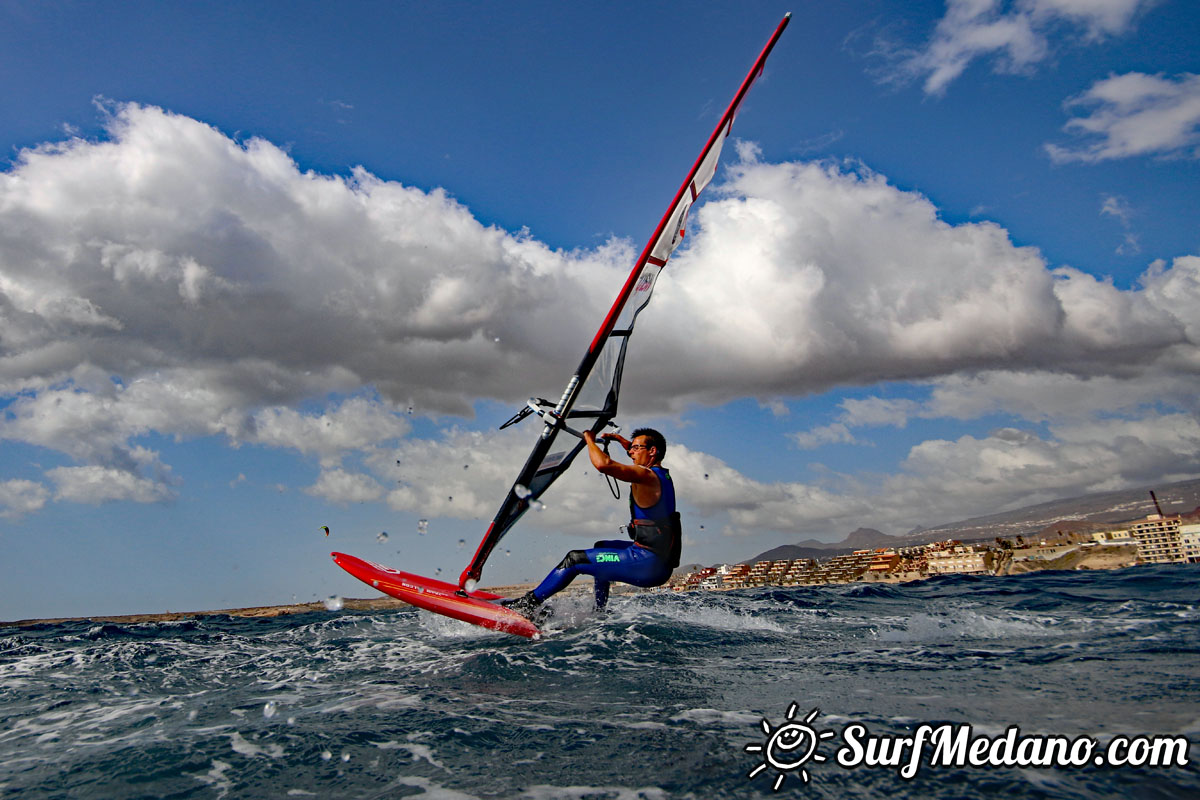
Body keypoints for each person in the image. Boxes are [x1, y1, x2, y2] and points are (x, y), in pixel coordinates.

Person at [507, 427, 682, 620]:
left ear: (652, 451)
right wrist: (622, 441)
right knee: (602, 547)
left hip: (647, 563)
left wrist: (588, 439)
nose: (631, 452)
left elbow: (603, 464)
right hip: (658, 560)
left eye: (635, 448)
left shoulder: (646, 476)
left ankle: (527, 605)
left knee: (575, 560)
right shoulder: (661, 475)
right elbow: (637, 455)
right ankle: (599, 611)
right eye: (630, 448)